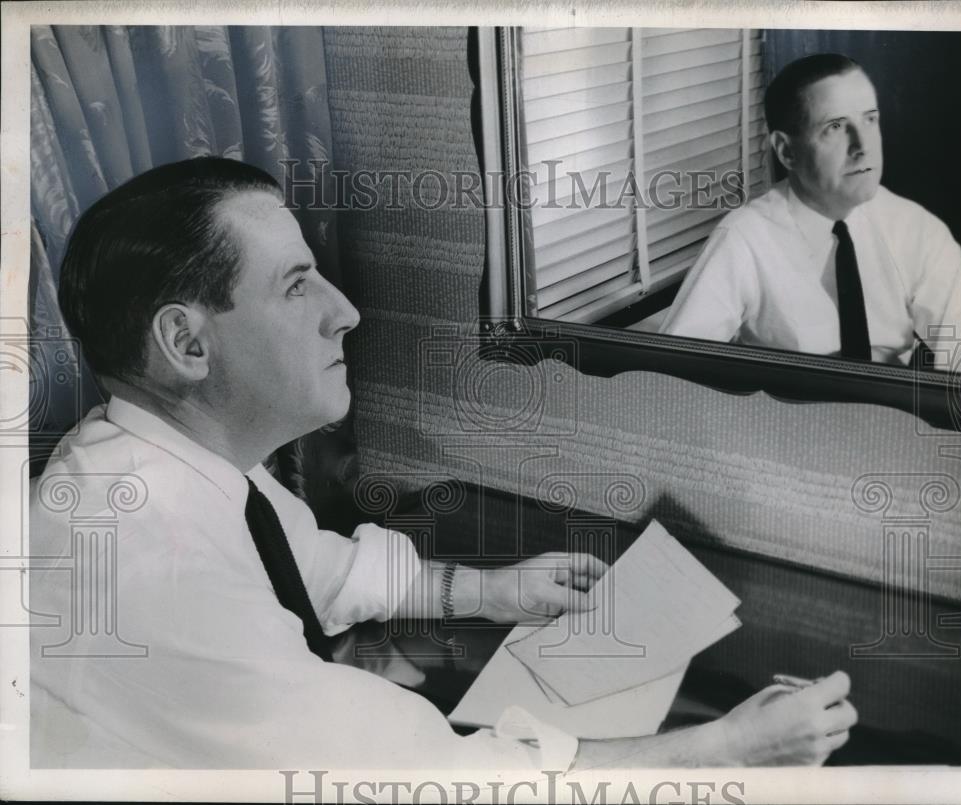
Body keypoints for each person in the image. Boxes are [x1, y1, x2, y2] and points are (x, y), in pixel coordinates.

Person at [30, 157, 857, 771]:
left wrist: (492, 590)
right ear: (186, 343)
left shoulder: (171, 466)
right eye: (296, 286)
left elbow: (326, 570)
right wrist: (728, 748)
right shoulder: (154, 569)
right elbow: (439, 779)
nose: (345, 312)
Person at [659, 53, 961, 369]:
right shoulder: (743, 238)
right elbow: (673, 371)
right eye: (835, 126)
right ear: (786, 151)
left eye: (869, 119)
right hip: (782, 410)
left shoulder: (919, 231)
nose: (862, 146)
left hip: (891, 411)